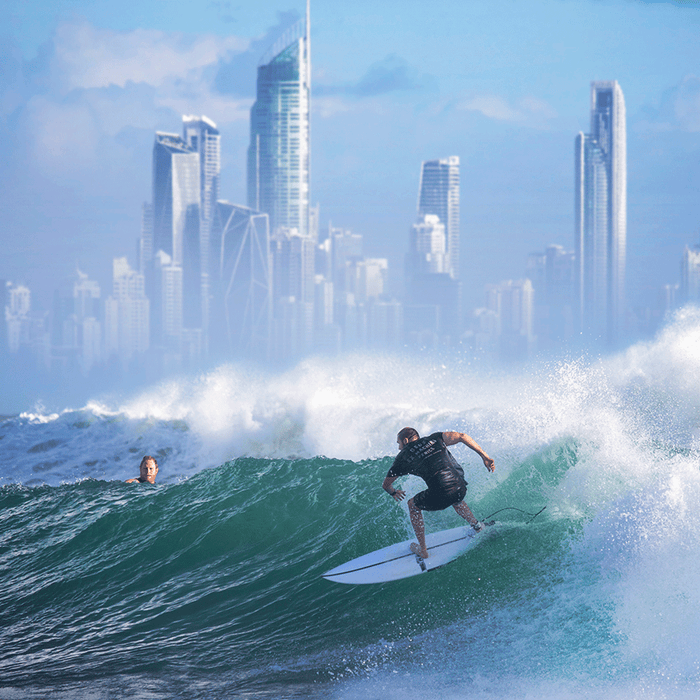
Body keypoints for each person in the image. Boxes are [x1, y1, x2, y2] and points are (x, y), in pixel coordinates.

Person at [382, 427, 495, 559]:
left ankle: (423, 550)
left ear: (405, 440)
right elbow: (462, 436)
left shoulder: (403, 457)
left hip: (442, 494)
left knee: (412, 505)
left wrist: (393, 492)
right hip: (461, 488)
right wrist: (484, 456)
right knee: (455, 497)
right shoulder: (435, 438)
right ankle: (477, 526)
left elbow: (386, 485)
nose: (399, 448)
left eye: (399, 443)